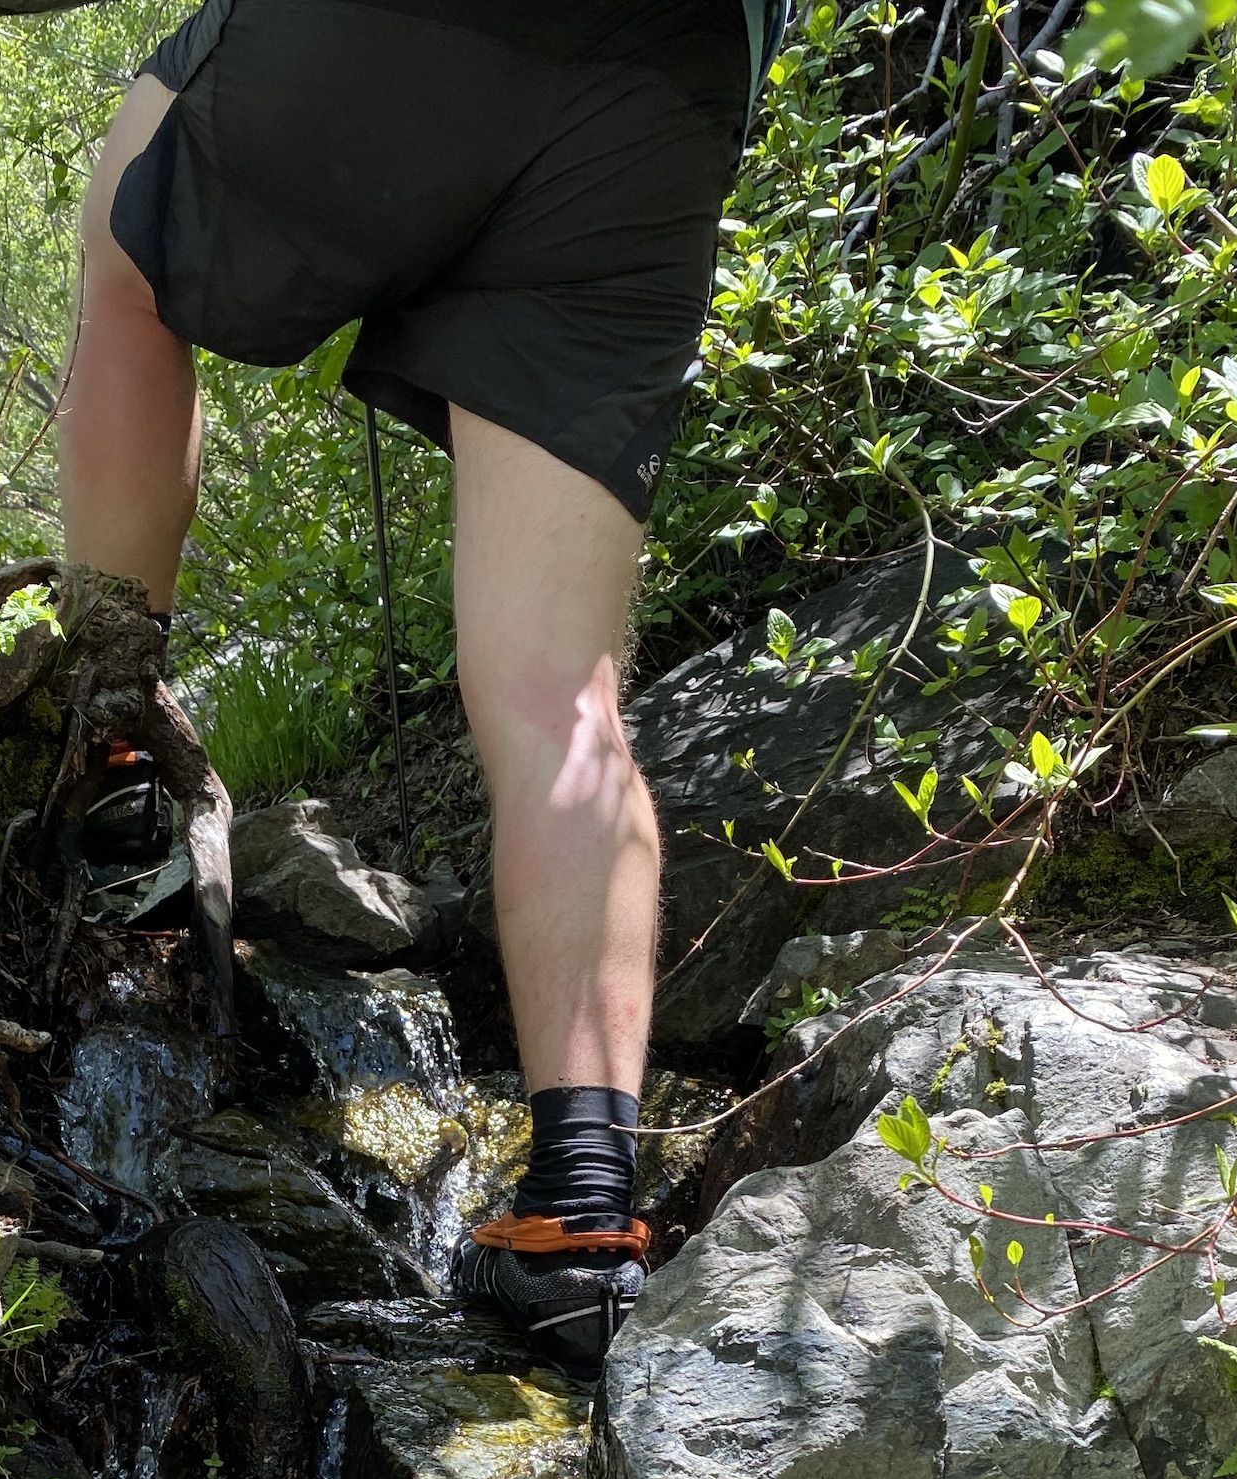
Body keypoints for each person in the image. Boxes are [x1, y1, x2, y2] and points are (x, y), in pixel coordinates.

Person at [57, 0, 772, 1372]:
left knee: (126, 264)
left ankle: (114, 738)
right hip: (674, 75)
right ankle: (581, 1215)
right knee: (564, 694)